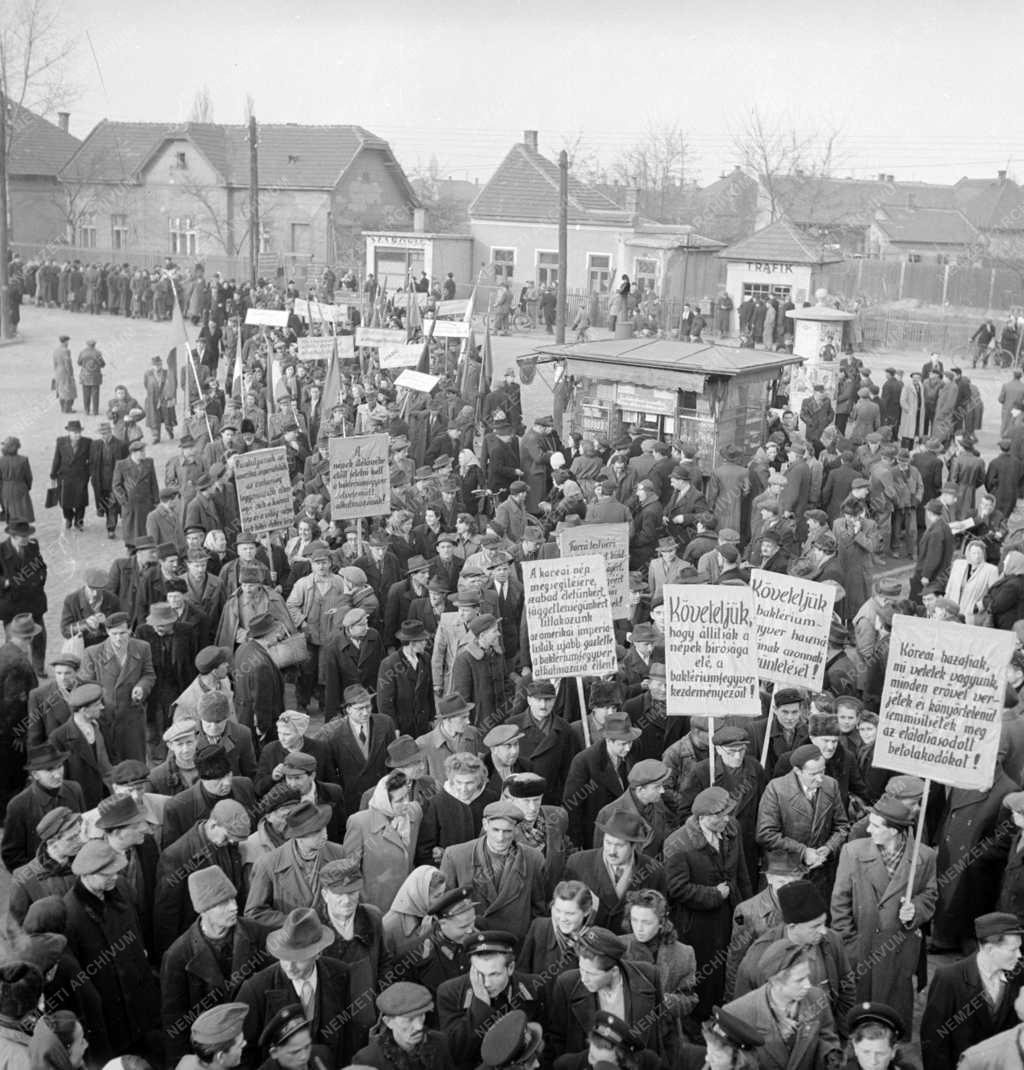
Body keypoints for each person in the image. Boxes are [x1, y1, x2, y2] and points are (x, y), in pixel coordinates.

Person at [236, 908, 353, 1069]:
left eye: (298, 958)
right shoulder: (255, 989)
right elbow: (243, 1055)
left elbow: (349, 1037)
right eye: (284, 956)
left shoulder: (341, 974)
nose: (289, 966)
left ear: (318, 953)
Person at [920, 912, 1024, 1070]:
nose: (1019, 955)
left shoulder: (1019, 974)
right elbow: (934, 1041)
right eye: (1013, 950)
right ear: (989, 949)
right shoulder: (949, 979)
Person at [722, 942, 842, 1070]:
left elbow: (826, 1038)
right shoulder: (737, 1013)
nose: (808, 985)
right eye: (799, 980)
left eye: (807, 976)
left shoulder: (816, 998)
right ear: (775, 981)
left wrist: (830, 1057)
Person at [353, 982, 451, 1070]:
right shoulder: (369, 1059)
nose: (419, 1026)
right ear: (388, 1022)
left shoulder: (440, 1042)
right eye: (409, 1020)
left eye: (421, 1016)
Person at [51, 420, 93, 531]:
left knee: (81, 501)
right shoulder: (61, 441)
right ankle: (68, 518)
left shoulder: (87, 442)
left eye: (79, 432)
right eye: (74, 432)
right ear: (69, 432)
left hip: (80, 475)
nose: (77, 435)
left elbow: (91, 460)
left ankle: (79, 521)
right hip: (64, 475)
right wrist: (53, 474)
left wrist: (87, 473)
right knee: (64, 500)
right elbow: (57, 458)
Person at [77, 339, 105, 416]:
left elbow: (79, 362)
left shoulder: (82, 352)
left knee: (86, 394)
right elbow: (102, 364)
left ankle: (87, 410)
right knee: (95, 394)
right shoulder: (98, 353)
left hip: (85, 376)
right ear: (94, 345)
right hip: (95, 376)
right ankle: (95, 411)